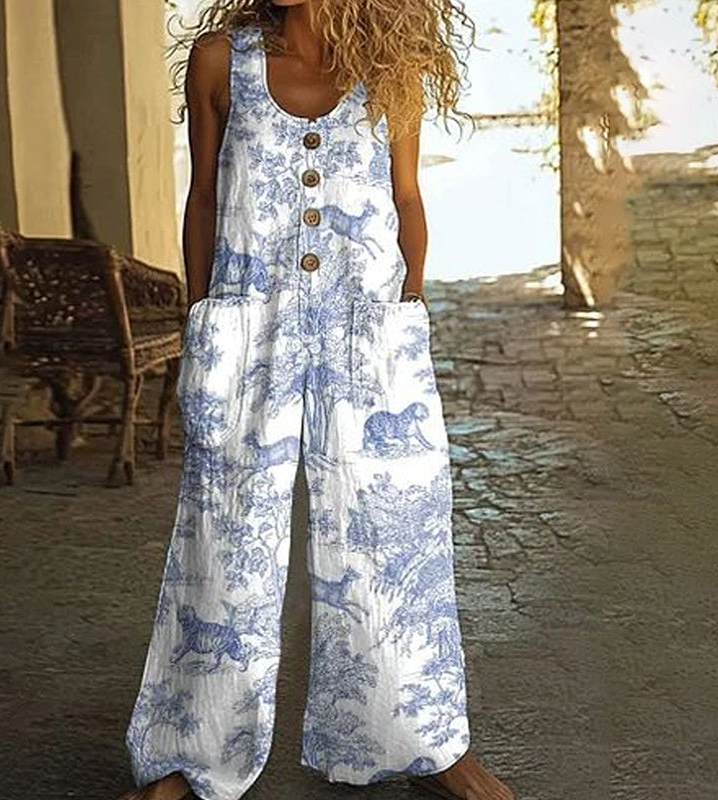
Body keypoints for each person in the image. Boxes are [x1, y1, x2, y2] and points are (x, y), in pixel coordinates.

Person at [119, 1, 515, 799]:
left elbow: (407, 198)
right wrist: (204, 320)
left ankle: (428, 744)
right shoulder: (221, 61)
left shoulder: (391, 67)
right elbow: (204, 197)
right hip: (248, 323)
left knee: (395, 530)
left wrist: (407, 310)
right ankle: (190, 755)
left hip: (368, 328)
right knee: (223, 531)